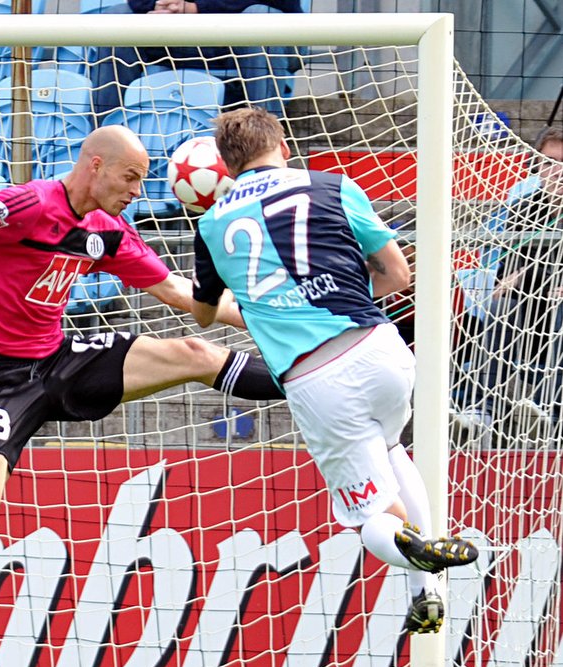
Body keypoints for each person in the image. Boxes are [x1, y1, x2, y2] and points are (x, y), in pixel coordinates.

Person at [0, 124, 282, 636]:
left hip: (60, 358)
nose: (138, 191)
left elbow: (181, 293)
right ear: (95, 165)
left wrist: (268, 318)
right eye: (130, 177)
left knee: (195, 352)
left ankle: (306, 378)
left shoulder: (108, 229)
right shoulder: (29, 205)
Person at [190, 107, 479, 635]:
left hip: (317, 378)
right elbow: (397, 272)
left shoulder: (212, 222)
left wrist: (267, 305)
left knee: (372, 516)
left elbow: (204, 312)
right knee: (392, 450)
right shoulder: (334, 186)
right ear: (281, 144)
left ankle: (413, 548)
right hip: (382, 348)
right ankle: (427, 591)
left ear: (225, 167)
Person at [451, 126, 563, 448]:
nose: (555, 171)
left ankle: (546, 413)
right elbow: (507, 275)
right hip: (528, 305)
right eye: (548, 161)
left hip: (556, 308)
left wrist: (527, 279)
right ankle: (481, 412)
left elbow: (527, 273)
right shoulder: (524, 208)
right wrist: (510, 281)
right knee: (499, 308)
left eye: (562, 162)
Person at [89, 0, 307, 119]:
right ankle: (104, 136)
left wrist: (197, 8)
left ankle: (266, 142)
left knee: (260, 17)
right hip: (185, 36)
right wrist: (156, 5)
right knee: (118, 16)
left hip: (253, 36)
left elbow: (284, 3)